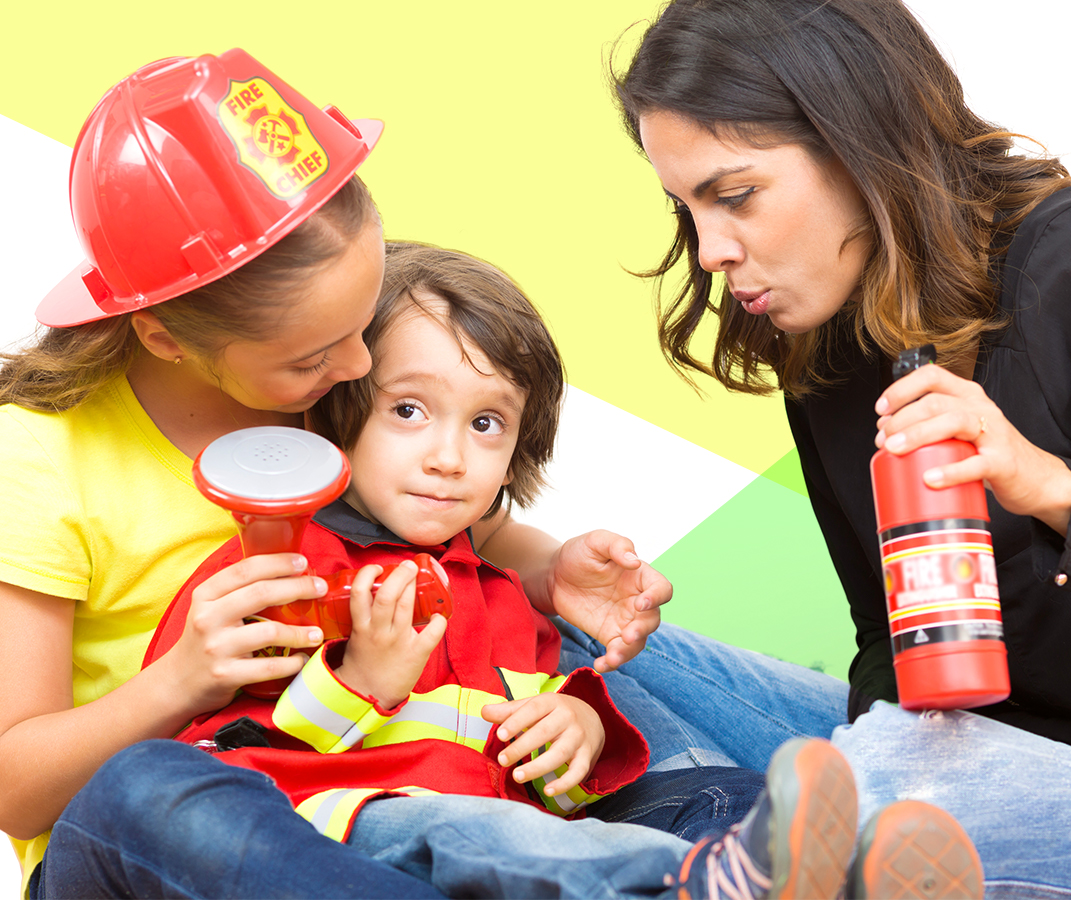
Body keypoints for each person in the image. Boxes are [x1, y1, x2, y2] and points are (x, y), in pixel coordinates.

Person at [517, 0, 1071, 896]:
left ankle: (746, 857)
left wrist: (1048, 485)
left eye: (736, 195)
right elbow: (885, 640)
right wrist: (896, 737)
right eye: (686, 207)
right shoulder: (829, 349)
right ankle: (750, 849)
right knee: (568, 651)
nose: (711, 249)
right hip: (967, 756)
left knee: (871, 782)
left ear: (859, 144)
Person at [0, 50, 660, 900]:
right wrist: (182, 680)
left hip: (365, 783)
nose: (355, 365)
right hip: (157, 842)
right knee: (147, 790)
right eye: (316, 354)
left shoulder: (317, 385)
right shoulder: (40, 461)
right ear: (167, 338)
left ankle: (712, 847)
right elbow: (17, 792)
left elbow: (463, 524)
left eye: (362, 322)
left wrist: (548, 569)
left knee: (583, 657)